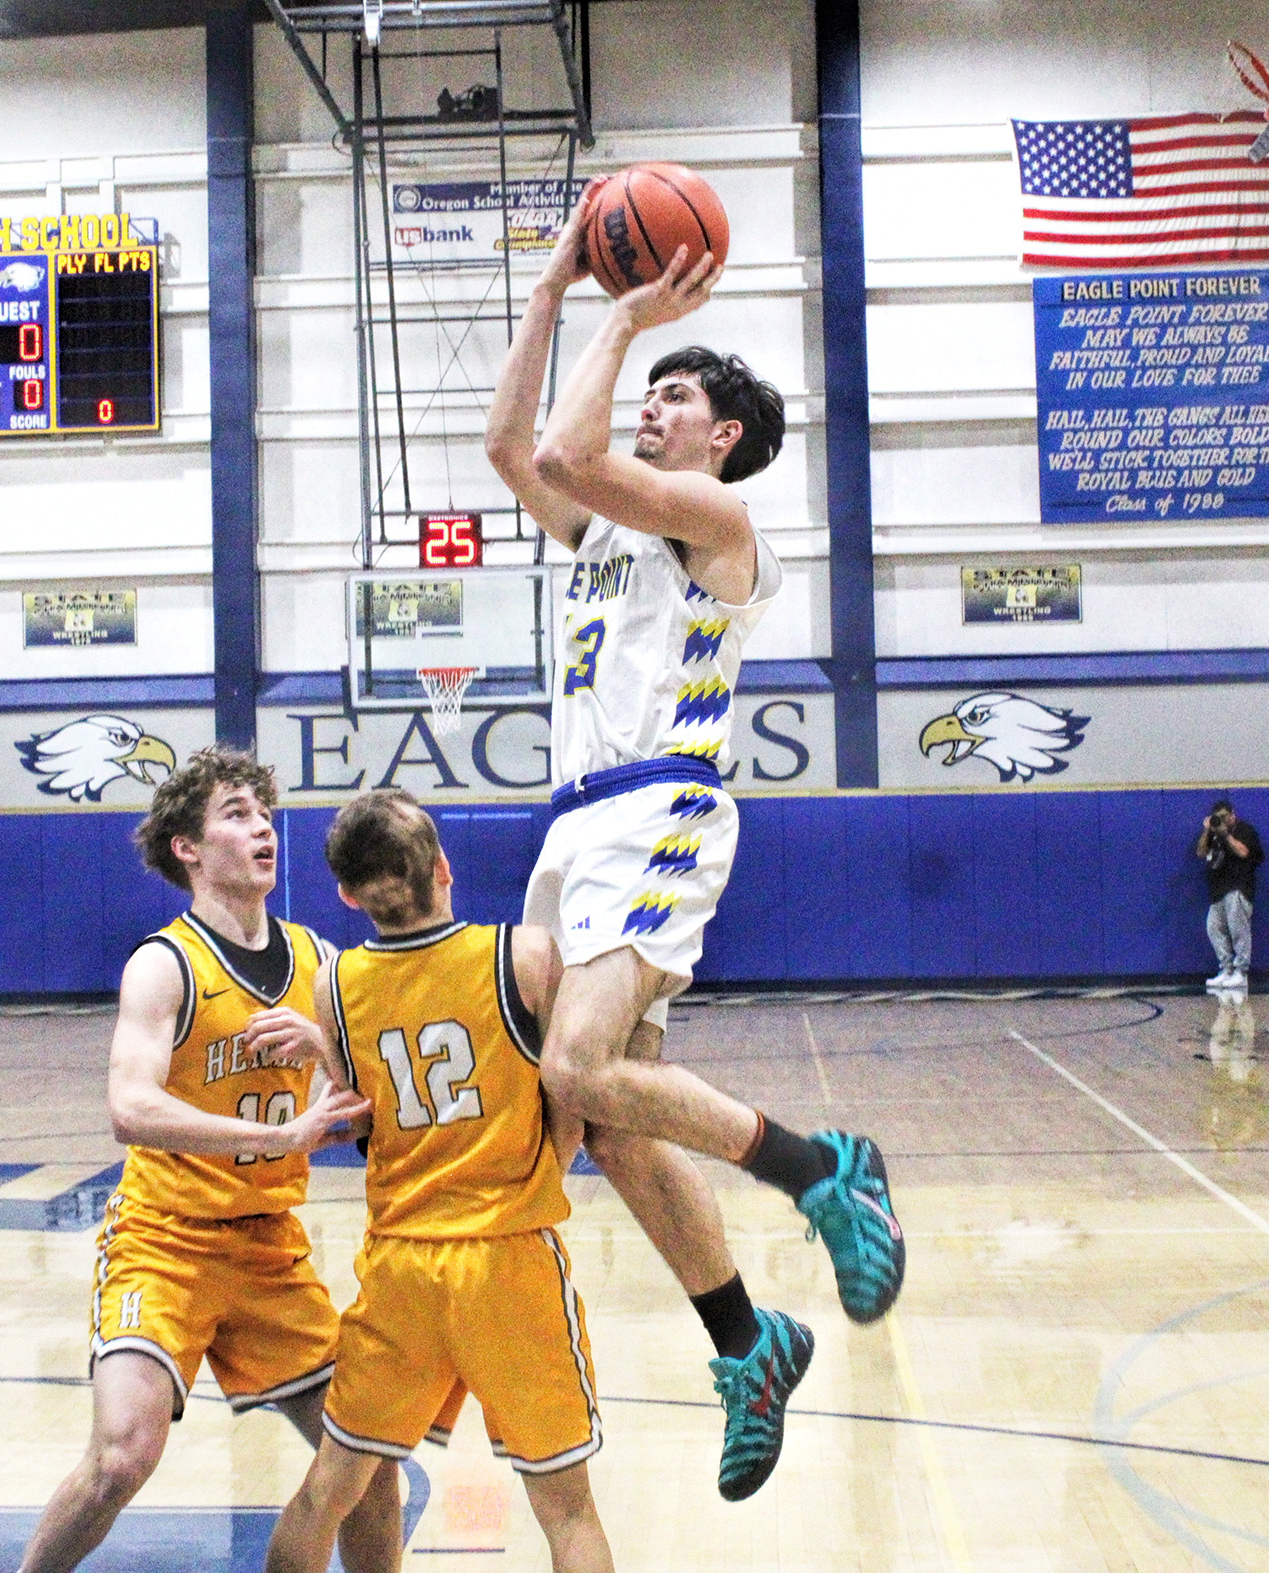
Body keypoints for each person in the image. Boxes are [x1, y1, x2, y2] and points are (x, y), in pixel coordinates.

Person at [485, 180, 905, 1498]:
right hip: (576, 825)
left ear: (722, 437)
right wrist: (556, 287)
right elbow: (514, 449)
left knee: (574, 1065)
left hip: (661, 809)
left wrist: (613, 325)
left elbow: (563, 453)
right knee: (603, 1122)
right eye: (646, 386)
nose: (652, 404)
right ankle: (748, 1339)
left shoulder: (721, 531)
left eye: (676, 396)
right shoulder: (606, 529)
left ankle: (823, 1167)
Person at [15, 747, 400, 1573]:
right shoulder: (164, 964)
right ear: (188, 847)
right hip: (165, 1241)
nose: (261, 827)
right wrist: (278, 1139)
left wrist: (331, 1044)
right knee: (121, 1454)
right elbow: (131, 1108)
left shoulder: (320, 963)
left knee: (369, 1461)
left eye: (264, 813)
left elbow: (375, 1097)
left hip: (268, 1247)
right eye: (235, 813)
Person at [248, 789, 613, 1573]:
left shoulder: (333, 986)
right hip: (509, 1257)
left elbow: (364, 1121)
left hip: (403, 1265)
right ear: (442, 867)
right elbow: (573, 1103)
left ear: (348, 894)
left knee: (326, 1492)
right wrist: (538, 1171)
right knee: (567, 1508)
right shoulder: (524, 954)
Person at [1194, 798, 1264, 992]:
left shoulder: (1245, 830)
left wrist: (1226, 836)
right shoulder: (1213, 833)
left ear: (1233, 815)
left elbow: (1244, 852)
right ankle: (1226, 969)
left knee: (1238, 928)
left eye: (1225, 817)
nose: (1222, 821)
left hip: (1238, 888)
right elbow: (1201, 852)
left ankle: (1241, 972)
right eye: (1218, 818)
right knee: (1213, 928)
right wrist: (1208, 830)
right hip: (1218, 891)